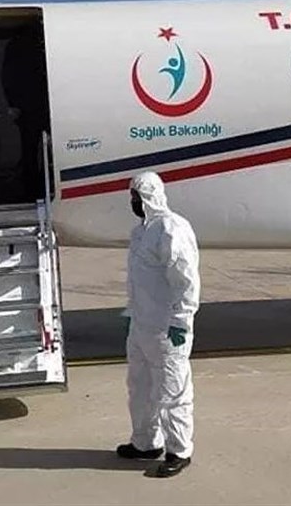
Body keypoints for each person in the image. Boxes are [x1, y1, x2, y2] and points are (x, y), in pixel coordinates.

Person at [117, 171, 201, 478]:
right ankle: (145, 443)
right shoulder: (141, 232)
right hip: (142, 326)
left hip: (168, 329)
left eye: (136, 197)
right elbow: (140, 281)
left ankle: (178, 450)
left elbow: (186, 280)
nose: (133, 203)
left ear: (149, 197)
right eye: (131, 197)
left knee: (172, 391)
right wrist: (132, 315)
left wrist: (181, 321)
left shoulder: (171, 228)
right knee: (140, 388)